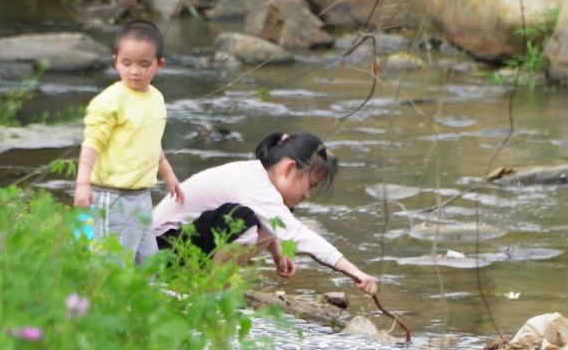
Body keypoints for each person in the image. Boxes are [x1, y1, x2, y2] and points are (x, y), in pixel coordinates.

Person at [153, 132, 377, 295]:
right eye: (309, 185)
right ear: (289, 168)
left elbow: (274, 221)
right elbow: (298, 235)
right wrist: (354, 271)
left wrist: (277, 252)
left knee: (262, 220)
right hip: (162, 250)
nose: (308, 195)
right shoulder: (256, 185)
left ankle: (213, 289)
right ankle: (214, 295)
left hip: (181, 245)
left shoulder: (261, 180)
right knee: (244, 221)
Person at [74, 20, 184, 265]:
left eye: (144, 64)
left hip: (142, 195)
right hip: (111, 196)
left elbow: (151, 144)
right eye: (127, 63)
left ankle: (144, 302)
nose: (134, 71)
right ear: (116, 61)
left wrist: (169, 176)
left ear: (159, 64)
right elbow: (92, 144)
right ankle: (102, 301)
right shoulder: (110, 101)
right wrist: (82, 183)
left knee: (148, 262)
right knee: (112, 263)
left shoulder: (156, 98)